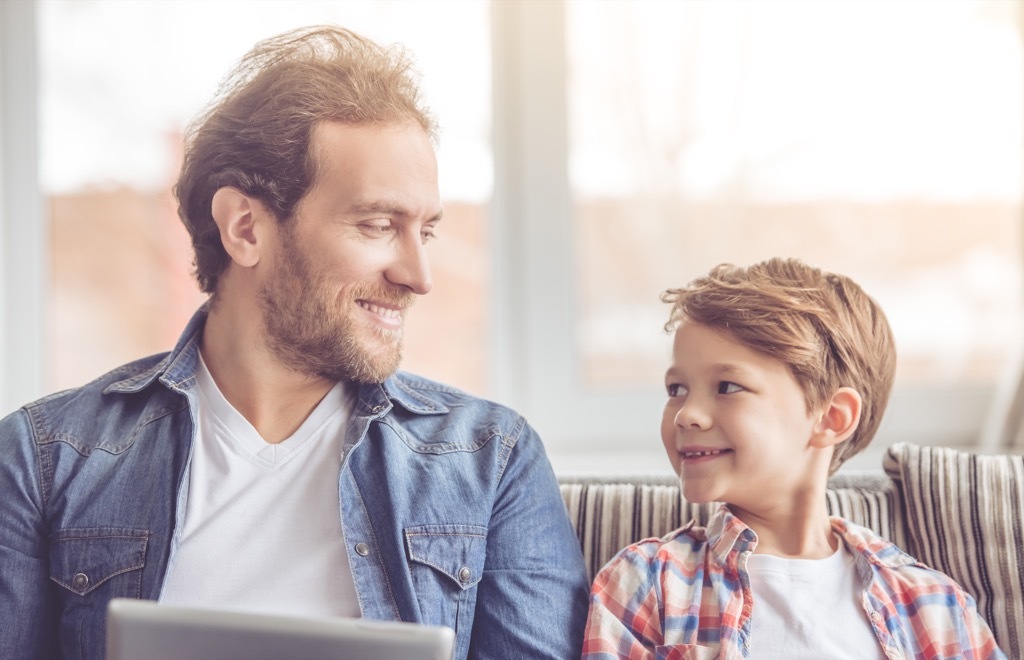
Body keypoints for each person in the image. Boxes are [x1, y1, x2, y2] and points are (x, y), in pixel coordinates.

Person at [0, 26, 588, 660]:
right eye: (378, 224)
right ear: (246, 228)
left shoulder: (490, 463)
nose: (418, 277)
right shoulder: (43, 463)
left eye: (427, 231)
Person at [582, 258, 1006, 659]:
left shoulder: (932, 605)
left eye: (727, 386)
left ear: (831, 418)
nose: (688, 414)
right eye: (676, 389)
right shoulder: (646, 584)